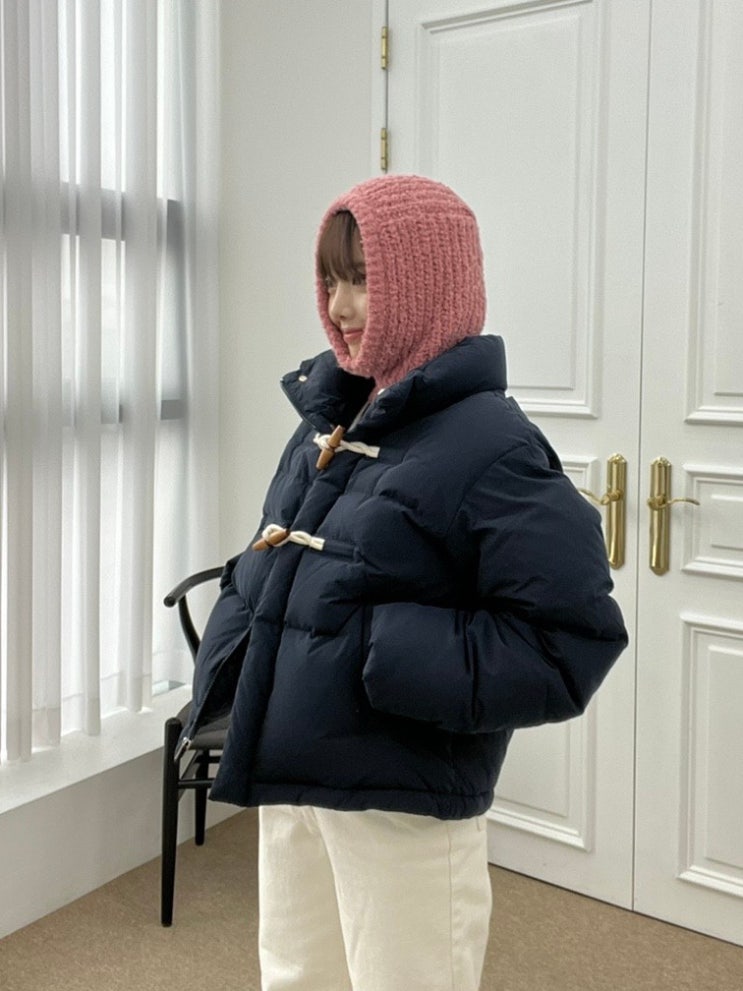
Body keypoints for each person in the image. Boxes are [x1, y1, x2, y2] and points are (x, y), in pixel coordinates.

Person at [179, 175, 628, 991]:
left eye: (363, 279)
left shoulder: (493, 446)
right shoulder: (328, 417)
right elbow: (272, 553)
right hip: (292, 767)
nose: (339, 306)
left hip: (400, 794)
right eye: (330, 280)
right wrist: (235, 644)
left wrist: (375, 655)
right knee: (295, 975)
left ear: (426, 284)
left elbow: (568, 636)